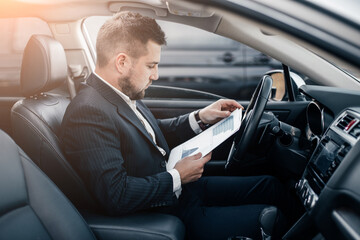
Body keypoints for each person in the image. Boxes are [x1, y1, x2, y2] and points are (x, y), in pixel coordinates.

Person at [61, 11, 295, 240]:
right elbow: (116, 195)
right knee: (271, 220)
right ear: (122, 62)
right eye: (151, 65)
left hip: (182, 192)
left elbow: (150, 134)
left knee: (270, 185)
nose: (156, 75)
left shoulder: (120, 93)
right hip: (164, 212)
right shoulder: (88, 111)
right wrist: (177, 176)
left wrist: (201, 117)